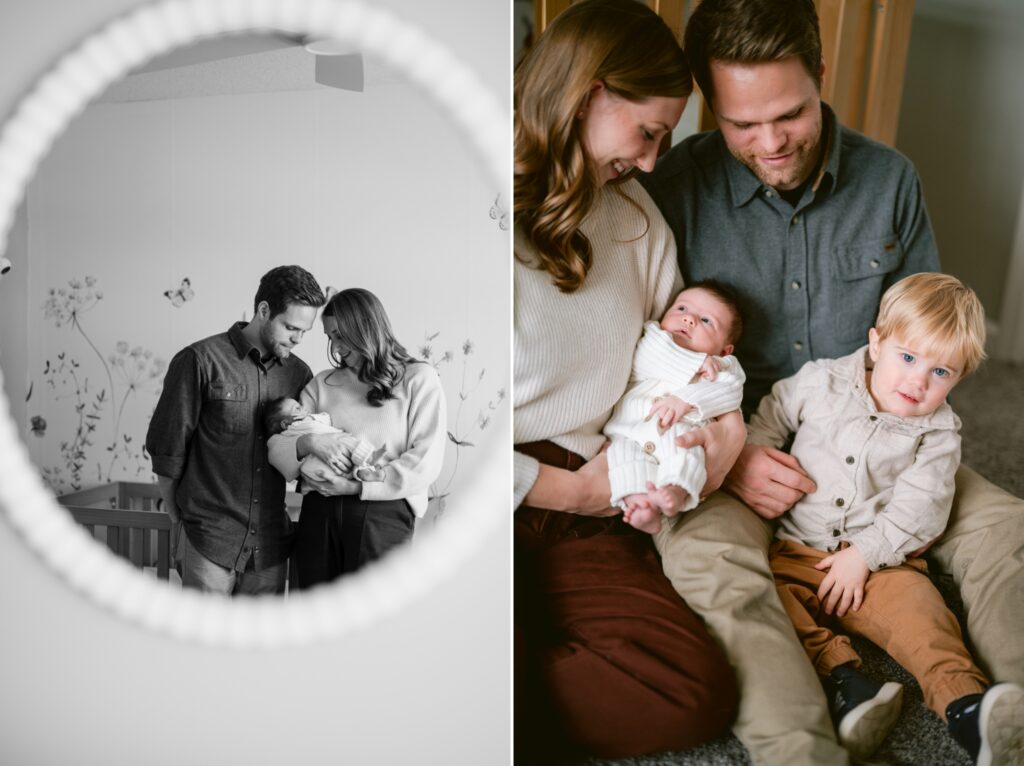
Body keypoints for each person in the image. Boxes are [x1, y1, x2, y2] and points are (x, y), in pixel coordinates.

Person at [638, 1, 1024, 763]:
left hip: (888, 435)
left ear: (821, 74)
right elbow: (650, 353)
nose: (770, 141)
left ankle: (1006, 715)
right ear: (712, 107)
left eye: (788, 113)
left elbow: (927, 336)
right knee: (712, 570)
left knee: (1006, 528)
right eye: (742, 124)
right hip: (739, 444)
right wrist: (734, 452)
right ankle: (802, 749)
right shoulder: (676, 186)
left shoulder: (890, 181)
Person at [514, 0, 741, 760]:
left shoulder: (640, 223)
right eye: (646, 132)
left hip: (598, 492)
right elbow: (425, 434)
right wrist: (566, 491)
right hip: (480, 494)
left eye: (665, 138)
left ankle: (470, 705)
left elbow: (670, 372)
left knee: (690, 689)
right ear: (588, 93)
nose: (652, 160)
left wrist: (704, 435)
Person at [750, 274, 1024, 762]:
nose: (919, 381)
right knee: (766, 603)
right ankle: (849, 683)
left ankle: (967, 708)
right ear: (876, 344)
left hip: (879, 561)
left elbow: (922, 508)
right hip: (793, 549)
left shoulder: (939, 434)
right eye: (909, 358)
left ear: (960, 378)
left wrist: (865, 554)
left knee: (924, 616)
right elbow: (774, 412)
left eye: (942, 373)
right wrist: (757, 454)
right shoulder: (823, 380)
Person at [146, 265, 326, 596]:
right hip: (208, 539)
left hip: (271, 545)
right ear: (263, 310)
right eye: (290, 327)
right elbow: (167, 451)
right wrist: (178, 521)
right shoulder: (199, 360)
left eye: (305, 331)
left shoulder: (299, 375)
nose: (298, 339)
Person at [267, 287, 446, 586]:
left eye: (340, 335)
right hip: (319, 513)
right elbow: (277, 446)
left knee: (375, 621)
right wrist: (308, 442)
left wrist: (352, 487)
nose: (335, 347)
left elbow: (425, 463)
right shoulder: (322, 383)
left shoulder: (418, 379)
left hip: (383, 514)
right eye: (330, 337)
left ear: (365, 327)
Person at [605, 281, 745, 533]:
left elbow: (730, 393)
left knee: (687, 452)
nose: (689, 319)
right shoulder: (654, 338)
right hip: (630, 430)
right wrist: (698, 361)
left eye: (705, 321)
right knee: (622, 459)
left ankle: (675, 493)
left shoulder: (725, 367)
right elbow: (651, 358)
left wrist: (687, 399)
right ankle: (640, 506)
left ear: (725, 350)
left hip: (681, 430)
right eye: (681, 308)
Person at [264, 397, 387, 484]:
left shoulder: (294, 430)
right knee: (347, 441)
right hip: (320, 462)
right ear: (285, 423)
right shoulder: (298, 426)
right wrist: (310, 418)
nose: (303, 408)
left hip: (320, 466)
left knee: (347, 464)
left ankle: (363, 473)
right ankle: (368, 457)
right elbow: (326, 419)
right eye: (297, 408)